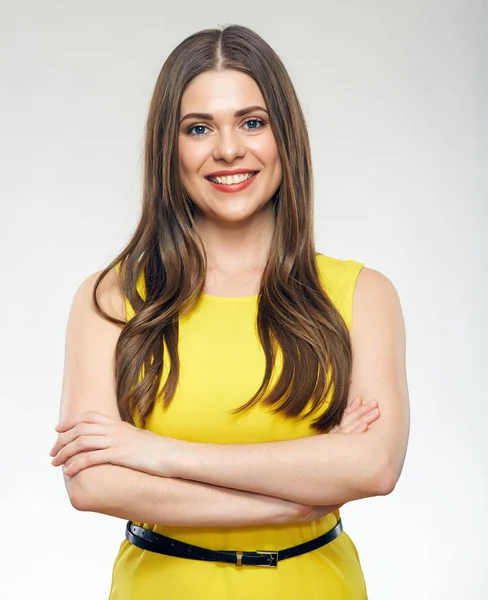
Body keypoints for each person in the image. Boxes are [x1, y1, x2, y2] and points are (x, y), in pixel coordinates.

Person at [50, 24, 409, 600]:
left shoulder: (362, 294)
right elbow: (92, 480)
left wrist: (157, 453)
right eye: (198, 128)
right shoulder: (112, 298)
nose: (228, 149)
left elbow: (374, 466)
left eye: (252, 121)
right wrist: (299, 492)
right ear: (169, 147)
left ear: (283, 136)